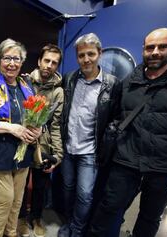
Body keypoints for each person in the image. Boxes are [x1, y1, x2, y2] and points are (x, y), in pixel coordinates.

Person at [87, 28, 167, 237]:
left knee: (149, 218)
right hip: (125, 161)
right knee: (107, 210)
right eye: (150, 47)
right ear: (143, 50)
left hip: (164, 167)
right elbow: (116, 116)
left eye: (162, 46)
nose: (155, 52)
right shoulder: (129, 81)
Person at [0, 38, 42, 237]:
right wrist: (13, 129)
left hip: (23, 152)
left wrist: (38, 130)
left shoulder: (26, 84)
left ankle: (10, 233)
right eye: (7, 58)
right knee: (5, 197)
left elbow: (37, 114)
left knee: (18, 199)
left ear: (22, 62)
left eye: (16, 58)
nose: (12, 63)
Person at [58, 33, 120, 237]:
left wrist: (107, 141)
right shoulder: (69, 79)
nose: (86, 59)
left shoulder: (111, 84)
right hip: (68, 148)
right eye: (81, 55)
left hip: (90, 152)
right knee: (67, 189)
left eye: (91, 54)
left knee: (84, 195)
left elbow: (116, 117)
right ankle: (68, 223)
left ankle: (77, 230)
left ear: (99, 54)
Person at [16, 44, 64, 237]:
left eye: (54, 63)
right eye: (47, 60)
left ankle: (36, 218)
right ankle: (20, 217)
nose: (49, 65)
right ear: (39, 61)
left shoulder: (58, 92)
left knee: (40, 187)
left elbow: (56, 125)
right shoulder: (24, 82)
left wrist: (58, 154)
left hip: (42, 147)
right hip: (21, 142)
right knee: (20, 184)